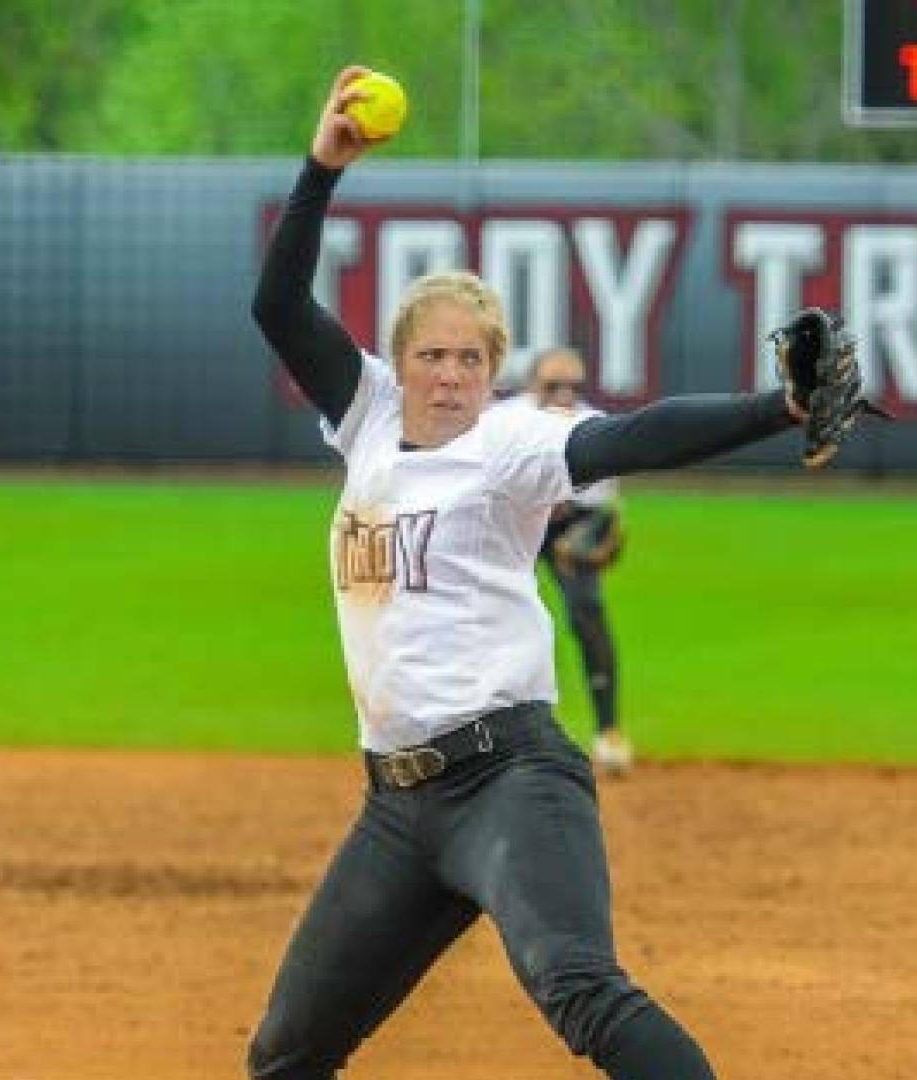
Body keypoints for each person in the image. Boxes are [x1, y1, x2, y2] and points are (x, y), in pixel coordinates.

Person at [245, 65, 836, 1080]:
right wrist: (321, 169)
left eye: (471, 360)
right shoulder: (369, 418)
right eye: (431, 356)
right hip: (396, 805)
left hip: (511, 778)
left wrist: (775, 409)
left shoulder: (515, 442)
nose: (448, 376)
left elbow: (635, 437)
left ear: (494, 370)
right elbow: (276, 305)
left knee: (579, 987)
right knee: (285, 1055)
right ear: (399, 362)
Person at [504, 347, 633, 775]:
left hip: (566, 530)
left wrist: (590, 531)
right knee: (489, 616)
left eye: (573, 385)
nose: (564, 393)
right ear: (531, 385)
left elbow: (601, 508)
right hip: (508, 525)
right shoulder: (503, 419)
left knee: (588, 611)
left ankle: (608, 730)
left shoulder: (592, 426)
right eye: (553, 385)